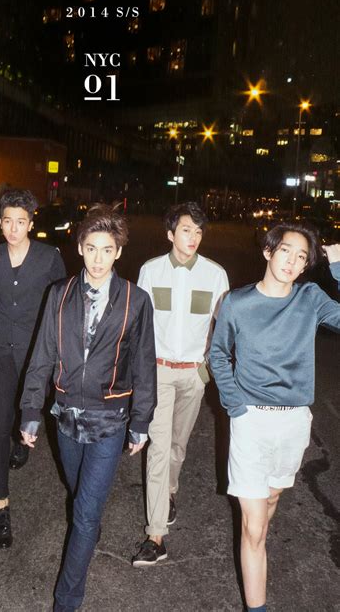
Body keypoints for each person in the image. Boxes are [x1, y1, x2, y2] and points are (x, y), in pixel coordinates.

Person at [20, 204, 156, 612]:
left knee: (84, 514)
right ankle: (88, 525)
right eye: (91, 248)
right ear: (80, 247)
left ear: (119, 252)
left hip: (110, 419)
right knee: (78, 491)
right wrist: (30, 411)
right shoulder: (59, 294)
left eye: (107, 250)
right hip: (65, 416)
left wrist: (141, 420)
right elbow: (42, 355)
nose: (98, 259)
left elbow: (144, 365)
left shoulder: (136, 300)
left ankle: (67, 600)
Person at [209, 222, 340, 612]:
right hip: (250, 421)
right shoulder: (236, 303)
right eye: (286, 251)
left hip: (294, 422)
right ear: (268, 251)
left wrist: (338, 267)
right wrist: (236, 405)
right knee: (254, 528)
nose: (292, 261)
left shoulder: (310, 298)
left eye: (301, 257)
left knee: (271, 498)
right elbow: (218, 354)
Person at [132, 202, 229, 566]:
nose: (193, 237)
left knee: (177, 445)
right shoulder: (150, 270)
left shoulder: (215, 275)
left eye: (198, 231)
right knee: (158, 447)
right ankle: (156, 535)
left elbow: (224, 328)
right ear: (171, 233)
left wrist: (207, 370)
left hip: (193, 374)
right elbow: (139, 325)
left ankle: (169, 491)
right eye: (186, 230)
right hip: (157, 372)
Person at [0, 189, 66, 548]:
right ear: (0, 223)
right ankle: (1, 506)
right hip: (0, 349)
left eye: (21, 222)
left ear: (31, 223)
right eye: (7, 222)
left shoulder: (49, 258)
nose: (13, 229)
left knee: (27, 408)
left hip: (36, 351)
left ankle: (23, 440)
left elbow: (61, 303)